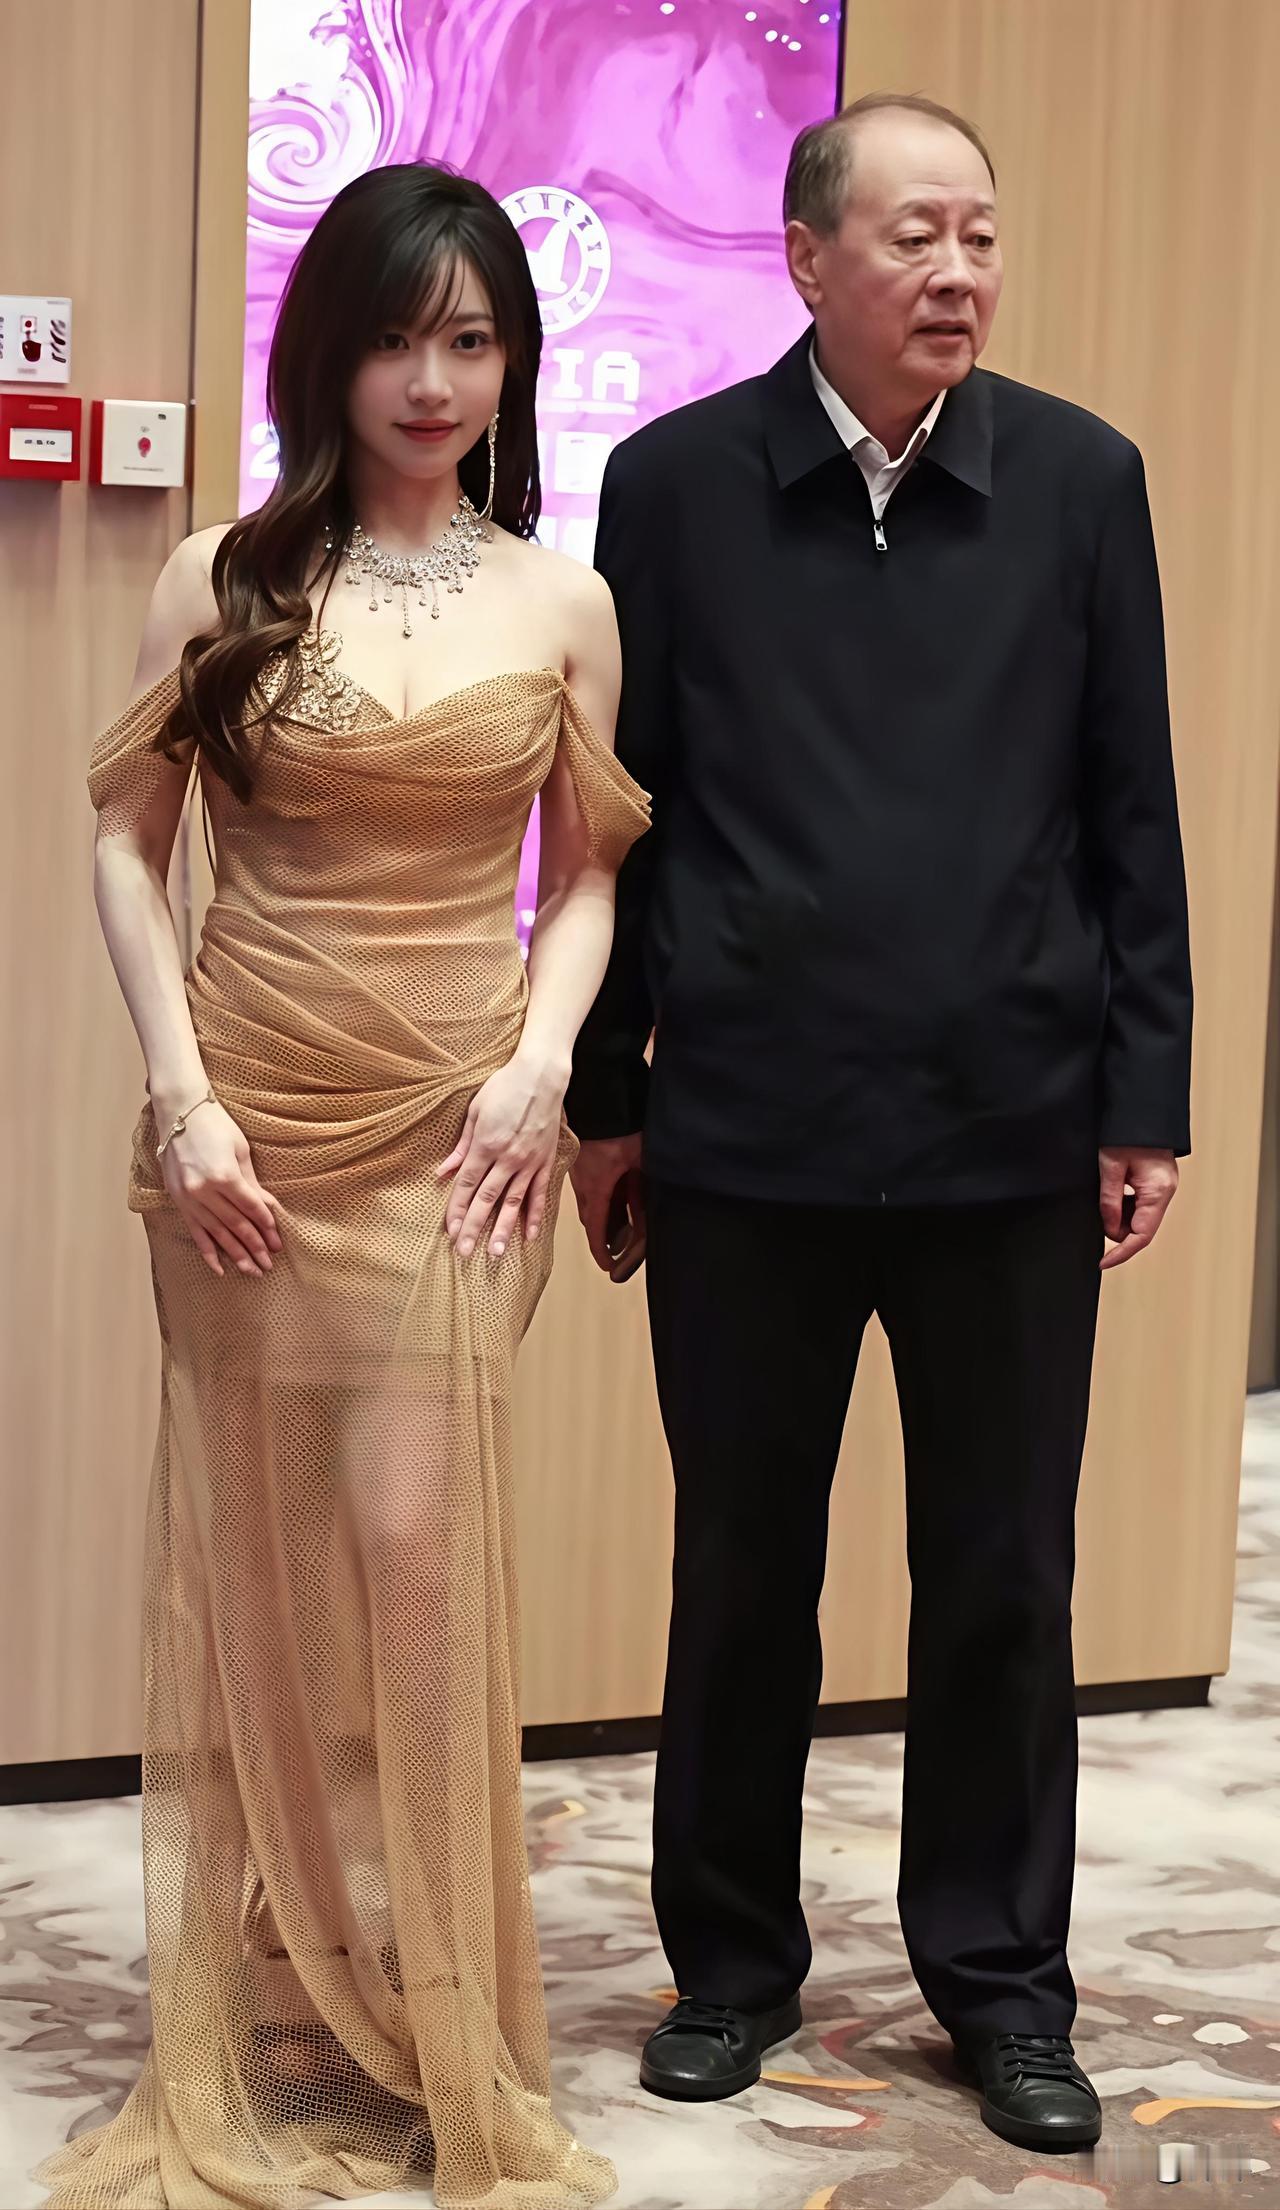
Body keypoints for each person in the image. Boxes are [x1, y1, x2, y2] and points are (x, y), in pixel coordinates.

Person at [566, 93, 1192, 2156]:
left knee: (1001, 1579)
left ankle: (1002, 1984)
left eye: (980, 236)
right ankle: (729, 1968)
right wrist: (606, 1094)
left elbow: (1132, 810)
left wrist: (1145, 1093)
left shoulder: (1081, 481)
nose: (955, 271)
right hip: (748, 1128)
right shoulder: (673, 486)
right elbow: (622, 818)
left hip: (1008, 1129)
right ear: (806, 257)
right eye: (914, 235)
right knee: (741, 1567)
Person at [35, 161, 648, 2210]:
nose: (432, 380)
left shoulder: (560, 602)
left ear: (513, 360)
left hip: (458, 1133)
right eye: (396, 338)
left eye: (469, 340)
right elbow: (126, 844)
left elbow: (588, 878)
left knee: (413, 1549)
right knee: (259, 1565)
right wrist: (181, 1098)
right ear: (330, 352)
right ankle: (280, 1985)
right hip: (247, 1129)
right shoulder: (220, 575)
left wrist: (543, 1070)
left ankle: (440, 2003)